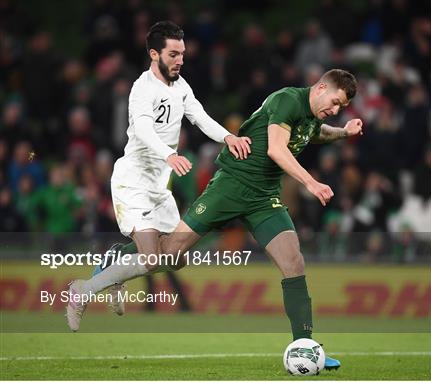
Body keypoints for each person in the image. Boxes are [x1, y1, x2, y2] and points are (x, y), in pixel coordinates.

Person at [68, 68, 362, 370]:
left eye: (342, 108)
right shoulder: (288, 99)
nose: (336, 110)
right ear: (322, 87)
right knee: (169, 254)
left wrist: (343, 132)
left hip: (263, 199)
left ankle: (306, 346)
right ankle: (118, 255)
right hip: (231, 185)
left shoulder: (313, 119)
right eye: (336, 102)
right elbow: (276, 149)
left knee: (293, 262)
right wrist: (311, 183)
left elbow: (315, 134)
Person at [66, 21, 250, 325]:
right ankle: (82, 291)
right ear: (154, 54)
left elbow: (200, 116)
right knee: (152, 259)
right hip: (133, 182)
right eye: (173, 54)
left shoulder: (181, 86)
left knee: (177, 260)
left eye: (183, 54)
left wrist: (228, 137)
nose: (180, 60)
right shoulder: (142, 88)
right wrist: (169, 154)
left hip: (158, 186)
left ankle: (118, 261)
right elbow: (143, 128)